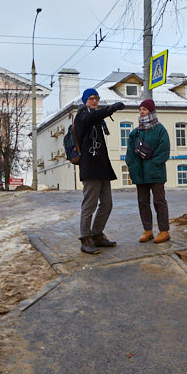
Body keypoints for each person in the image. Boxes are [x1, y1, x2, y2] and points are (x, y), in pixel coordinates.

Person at [72, 88, 125, 254]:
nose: (94, 101)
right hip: (90, 167)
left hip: (101, 167)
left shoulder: (96, 119)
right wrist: (111, 109)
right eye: (91, 99)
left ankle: (96, 234)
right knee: (90, 204)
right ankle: (84, 238)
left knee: (107, 203)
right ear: (85, 101)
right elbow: (93, 116)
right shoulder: (82, 116)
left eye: (96, 98)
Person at [125, 98, 171, 243]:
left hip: (156, 173)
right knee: (143, 202)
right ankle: (148, 230)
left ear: (151, 111)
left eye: (144, 110)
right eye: (140, 110)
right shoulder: (135, 132)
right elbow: (130, 153)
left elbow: (164, 151)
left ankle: (164, 231)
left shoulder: (160, 130)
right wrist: (133, 166)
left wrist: (152, 165)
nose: (141, 112)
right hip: (140, 174)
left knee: (159, 201)